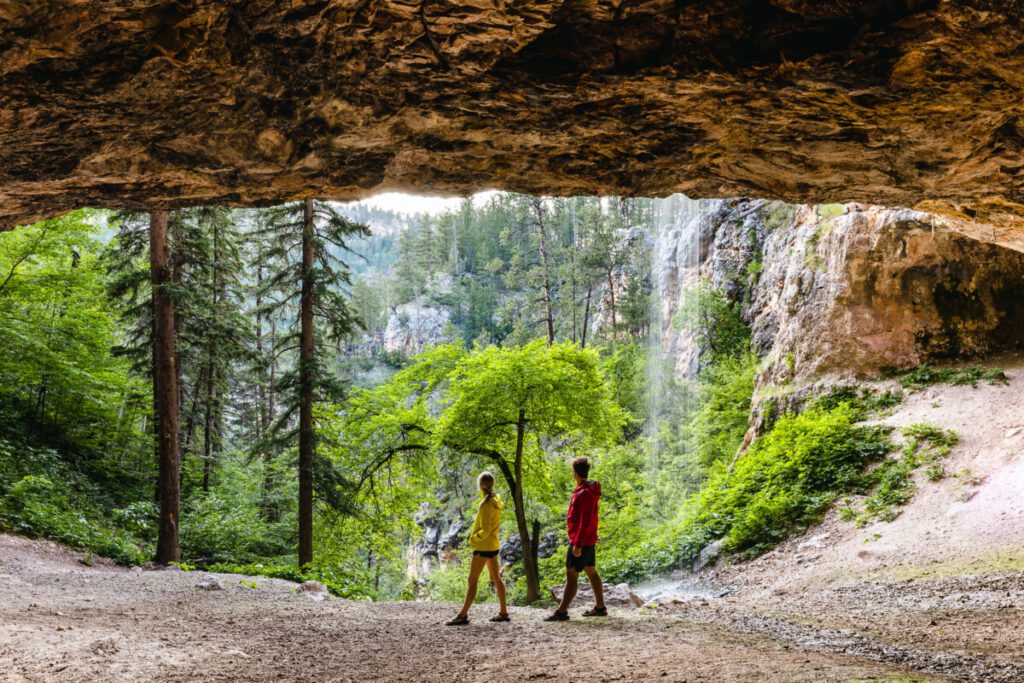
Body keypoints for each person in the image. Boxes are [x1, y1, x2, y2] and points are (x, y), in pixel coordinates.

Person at [545, 456, 606, 621]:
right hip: (588, 539)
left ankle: (562, 611)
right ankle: (600, 607)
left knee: (571, 574)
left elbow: (585, 521)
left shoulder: (584, 493)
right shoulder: (589, 490)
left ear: (575, 473)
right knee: (592, 572)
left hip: (582, 541)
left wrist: (577, 544)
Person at [446, 472, 510, 625]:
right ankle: (503, 612)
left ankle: (463, 615)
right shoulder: (495, 499)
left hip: (483, 547)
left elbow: (485, 530)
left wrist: (473, 539)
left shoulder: (487, 504)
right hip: (492, 545)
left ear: (481, 485)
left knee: (472, 580)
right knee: (497, 579)